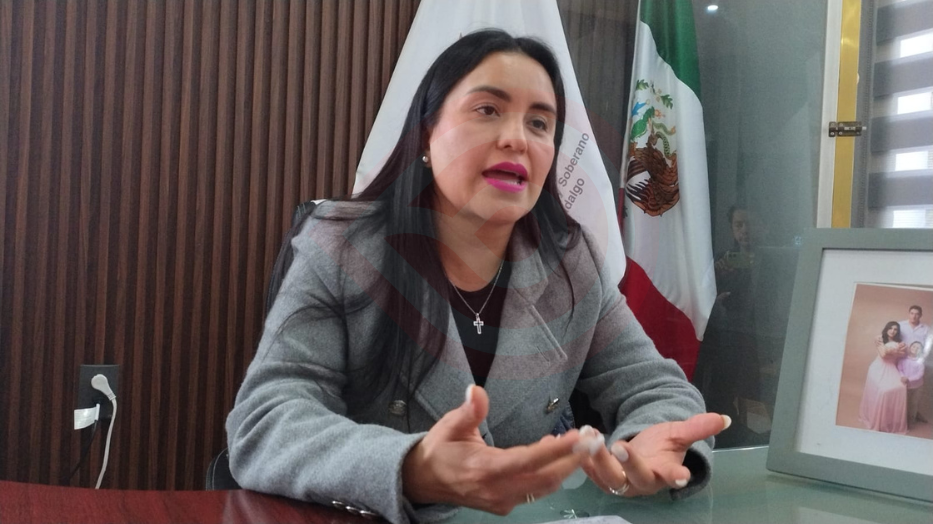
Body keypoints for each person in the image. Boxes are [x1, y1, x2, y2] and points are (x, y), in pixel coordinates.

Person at [225, 30, 726, 524]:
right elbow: (266, 420)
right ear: (426, 133)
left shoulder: (570, 263)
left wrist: (646, 443)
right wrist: (412, 468)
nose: (516, 139)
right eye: (487, 110)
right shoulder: (341, 247)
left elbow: (653, 385)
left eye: (539, 123)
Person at [859, 321, 908, 434]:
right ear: (886, 329)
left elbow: (903, 354)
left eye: (895, 329)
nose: (892, 331)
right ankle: (877, 419)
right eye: (890, 328)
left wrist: (890, 350)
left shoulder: (900, 343)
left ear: (898, 332)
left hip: (892, 368)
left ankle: (890, 422)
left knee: (901, 388)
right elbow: (883, 355)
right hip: (878, 368)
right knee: (883, 391)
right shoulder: (880, 338)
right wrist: (895, 350)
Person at [897, 341, 926, 427]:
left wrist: (908, 379)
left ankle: (911, 421)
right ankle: (902, 421)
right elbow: (900, 369)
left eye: (918, 348)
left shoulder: (920, 362)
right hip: (905, 386)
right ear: (910, 348)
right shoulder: (903, 359)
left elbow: (919, 374)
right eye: (914, 346)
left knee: (913, 404)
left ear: (921, 351)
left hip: (917, 387)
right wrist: (902, 376)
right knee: (904, 403)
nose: (915, 349)